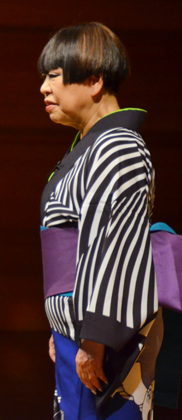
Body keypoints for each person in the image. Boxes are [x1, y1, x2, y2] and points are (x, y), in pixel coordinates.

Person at [38, 23, 162, 419]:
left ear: (93, 81)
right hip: (80, 335)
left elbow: (113, 245)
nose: (44, 88)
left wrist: (96, 336)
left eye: (53, 76)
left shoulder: (118, 146)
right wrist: (61, 323)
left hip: (109, 339)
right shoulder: (90, 146)